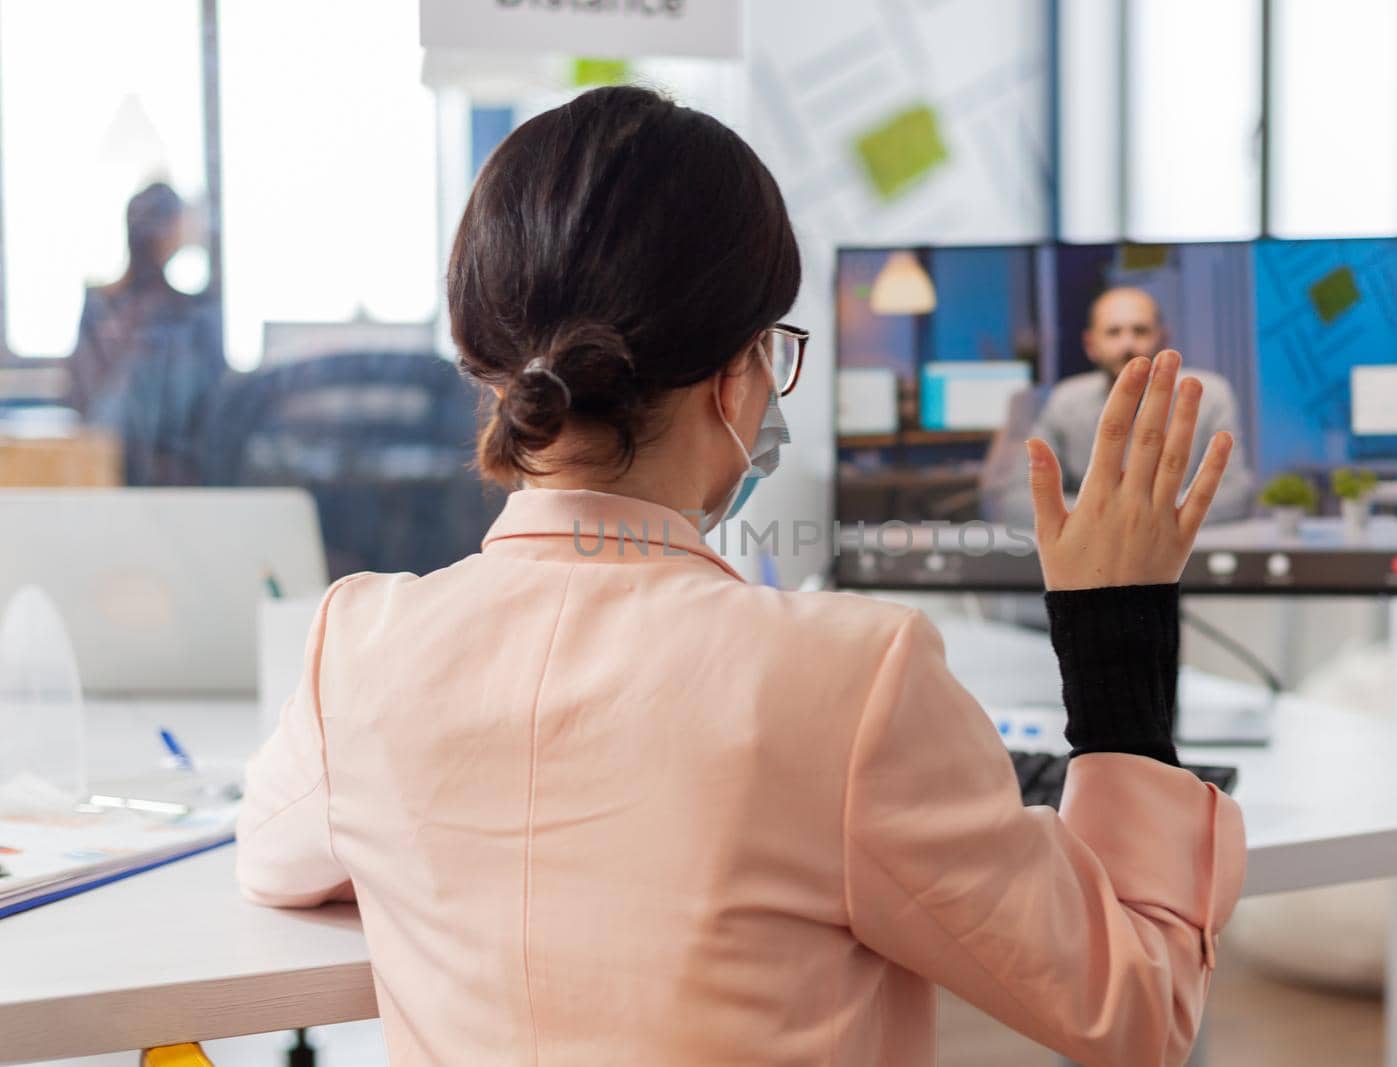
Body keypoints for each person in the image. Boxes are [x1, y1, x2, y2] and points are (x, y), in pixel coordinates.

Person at [236, 87, 1245, 1066]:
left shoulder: (357, 645)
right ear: (737, 374)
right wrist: (1117, 631)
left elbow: (273, 860)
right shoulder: (852, 677)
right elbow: (1138, 1005)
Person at [997, 286, 1254, 526]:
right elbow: (1017, 500)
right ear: (1090, 345)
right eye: (1113, 332)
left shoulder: (1207, 396)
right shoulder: (1066, 401)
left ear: (1163, 338)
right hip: (1092, 557)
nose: (1128, 345)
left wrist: (1133, 515)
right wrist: (1115, 515)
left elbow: (1236, 494)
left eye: (1140, 331)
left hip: (1181, 556)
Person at [65, 181, 225, 484]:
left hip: (178, 476)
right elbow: (87, 409)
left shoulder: (191, 316)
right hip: (112, 471)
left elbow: (210, 415)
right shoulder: (104, 310)